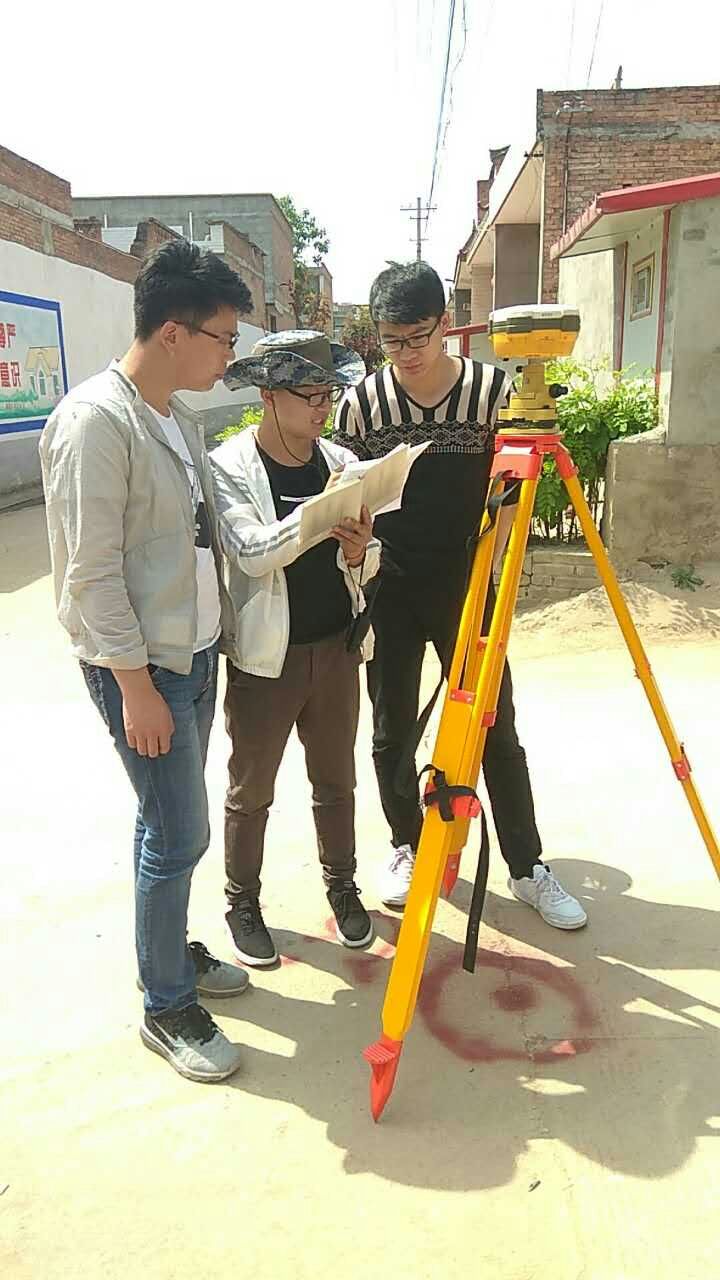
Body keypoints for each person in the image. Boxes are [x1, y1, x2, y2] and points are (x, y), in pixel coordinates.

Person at [39, 239, 254, 1084]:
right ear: (173, 331)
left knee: (163, 822)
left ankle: (164, 951)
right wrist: (136, 689)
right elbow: (89, 576)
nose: (228, 356)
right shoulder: (98, 422)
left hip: (192, 653)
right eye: (222, 338)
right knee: (180, 831)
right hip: (144, 668)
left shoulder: (176, 416)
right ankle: (166, 1005)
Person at [333, 261, 587, 930]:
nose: (406, 354)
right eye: (391, 341)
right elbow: (345, 492)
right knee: (391, 728)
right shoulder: (361, 405)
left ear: (445, 325)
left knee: (496, 727)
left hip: (467, 582)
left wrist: (490, 569)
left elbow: (511, 492)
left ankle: (527, 866)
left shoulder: (491, 393)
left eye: (417, 337)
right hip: (388, 585)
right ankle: (408, 845)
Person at [211, 330, 380, 966]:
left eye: (328, 393)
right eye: (308, 395)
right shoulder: (229, 467)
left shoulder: (339, 460)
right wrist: (317, 518)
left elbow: (368, 561)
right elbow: (251, 553)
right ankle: (242, 902)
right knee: (251, 788)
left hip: (336, 648)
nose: (321, 407)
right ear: (267, 395)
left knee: (336, 780)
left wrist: (359, 550)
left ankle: (343, 885)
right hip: (266, 660)